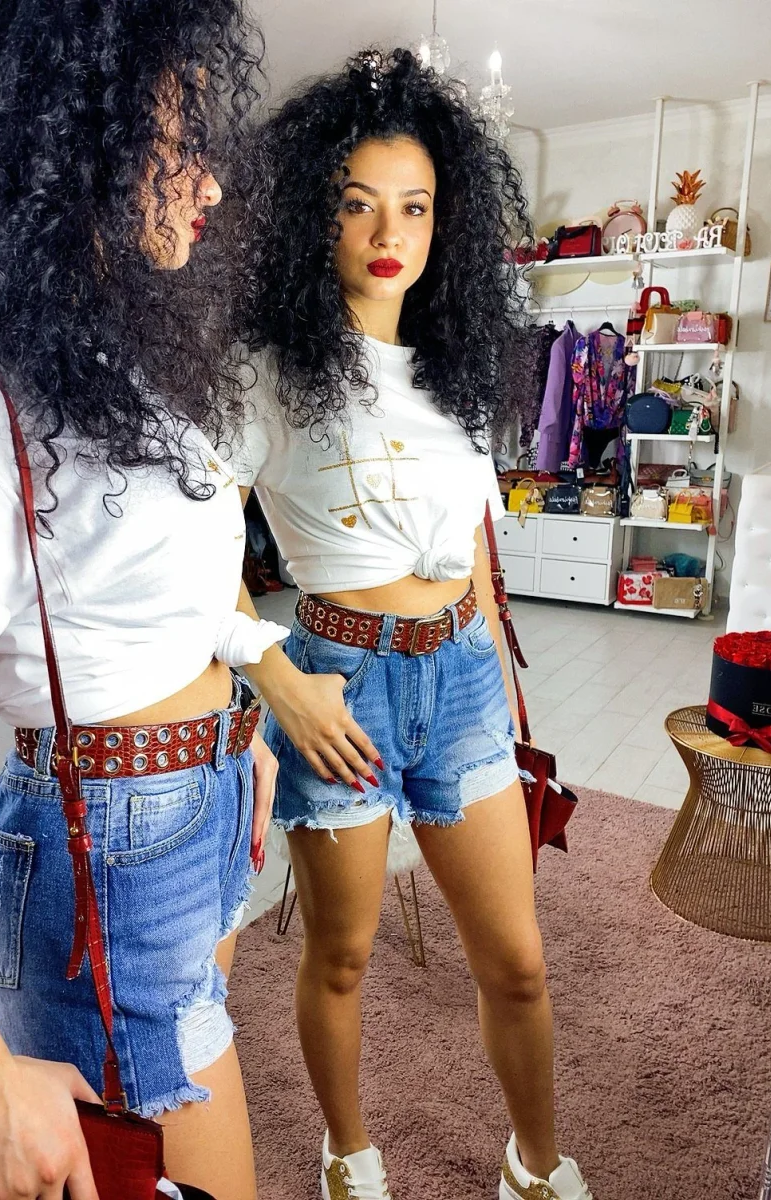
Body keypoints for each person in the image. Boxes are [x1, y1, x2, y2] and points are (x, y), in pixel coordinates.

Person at [0, 4, 280, 1199]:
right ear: (64, 136)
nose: (211, 181)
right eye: (177, 140)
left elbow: (148, 586)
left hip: (190, 812)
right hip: (113, 853)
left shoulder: (89, 351)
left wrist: (232, 729)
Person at [230, 49, 593, 1200]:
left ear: (448, 218)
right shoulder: (264, 373)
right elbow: (186, 551)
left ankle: (537, 1166)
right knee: (340, 957)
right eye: (358, 203)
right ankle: (348, 1153)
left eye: (417, 206)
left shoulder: (459, 364)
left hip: (463, 678)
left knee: (519, 963)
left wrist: (495, 673)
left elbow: (475, 539)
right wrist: (278, 681)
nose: (391, 232)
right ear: (314, 215)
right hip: (341, 682)